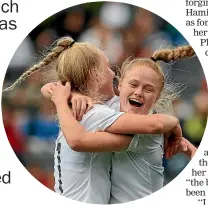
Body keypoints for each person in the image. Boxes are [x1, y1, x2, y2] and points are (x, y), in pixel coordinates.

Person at [4, 37, 195, 203]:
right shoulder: (95, 113)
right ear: (95, 75)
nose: (113, 73)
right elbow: (78, 140)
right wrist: (174, 123)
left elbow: (49, 88)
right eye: (107, 67)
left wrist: (66, 97)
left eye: (148, 88)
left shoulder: (102, 109)